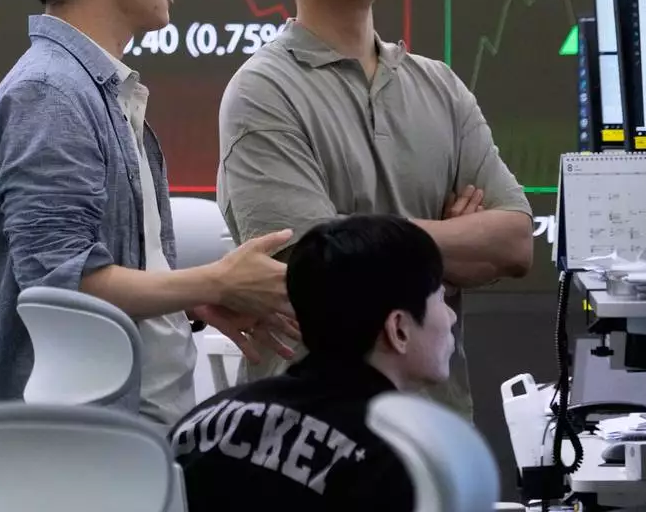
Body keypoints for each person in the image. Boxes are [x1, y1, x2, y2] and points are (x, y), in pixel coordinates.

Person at [0, 0, 298, 428]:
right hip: (85, 450)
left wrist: (187, 297)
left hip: (128, 438)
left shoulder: (94, 89)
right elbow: (64, 286)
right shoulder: (50, 94)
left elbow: (99, 263)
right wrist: (216, 277)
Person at [217, 0, 534, 417]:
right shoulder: (263, 91)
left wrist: (368, 240)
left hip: (437, 419)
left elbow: (514, 241)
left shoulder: (438, 84)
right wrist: (448, 243)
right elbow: (317, 273)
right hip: (312, 432)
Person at [170, 215, 459, 510]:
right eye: (440, 299)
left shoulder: (202, 424)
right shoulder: (401, 461)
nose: (451, 317)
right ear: (398, 329)